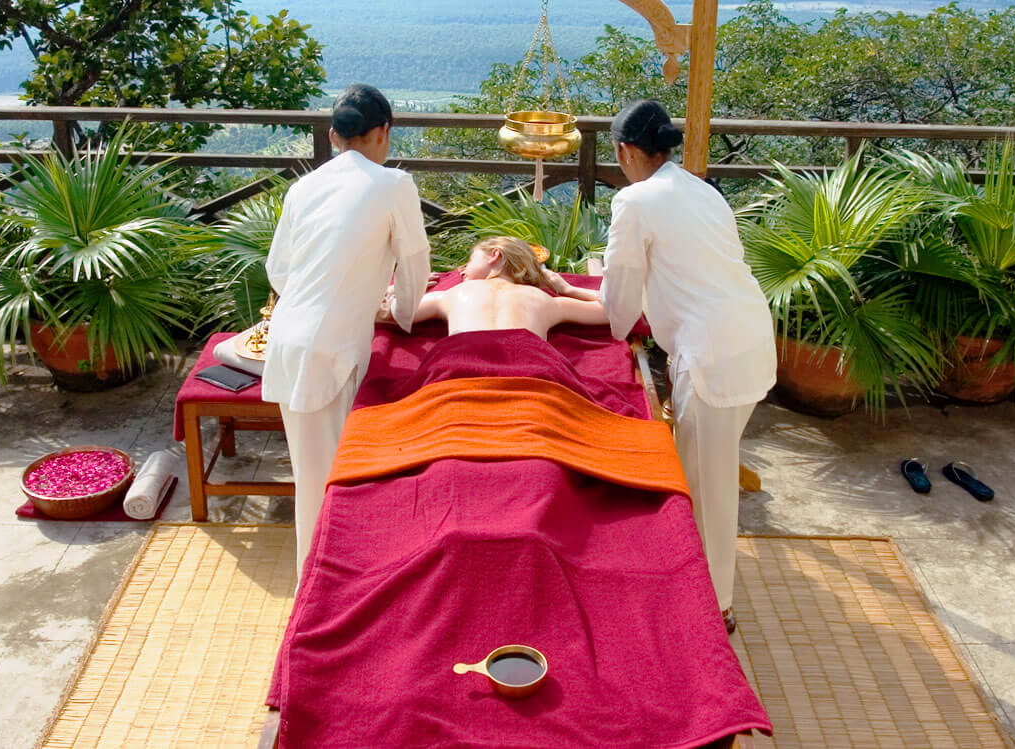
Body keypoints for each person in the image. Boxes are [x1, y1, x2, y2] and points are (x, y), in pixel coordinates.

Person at [598, 99, 776, 634]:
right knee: (705, 474)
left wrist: (610, 321)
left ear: (625, 151)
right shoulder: (703, 190)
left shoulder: (634, 200)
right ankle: (696, 586)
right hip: (750, 338)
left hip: (712, 357)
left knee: (708, 488)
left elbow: (620, 300)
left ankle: (714, 609)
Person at [257, 83, 431, 579]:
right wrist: (399, 313)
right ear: (384, 133)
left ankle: (325, 585)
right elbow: (415, 265)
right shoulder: (393, 184)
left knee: (312, 476)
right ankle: (319, 595)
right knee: (328, 484)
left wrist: (341, 294)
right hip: (326, 349)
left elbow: (279, 270)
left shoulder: (304, 187)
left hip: (290, 337)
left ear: (334, 136)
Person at [384, 236, 605, 337]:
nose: (462, 271)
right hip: (528, 368)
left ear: (494, 255)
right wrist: (568, 289)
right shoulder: (544, 300)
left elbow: (391, 313)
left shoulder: (453, 293)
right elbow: (613, 311)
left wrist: (402, 289)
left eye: (470, 260)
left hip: (464, 362)